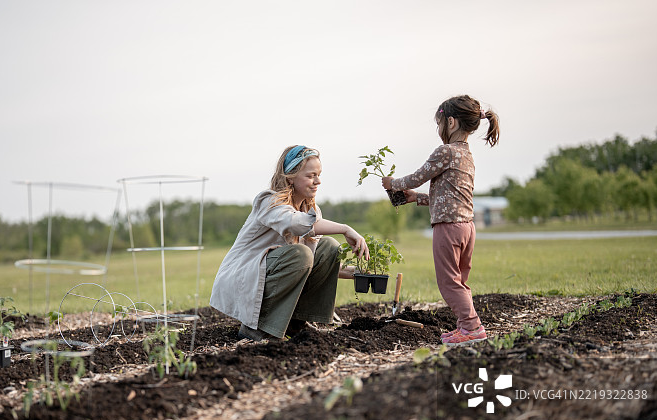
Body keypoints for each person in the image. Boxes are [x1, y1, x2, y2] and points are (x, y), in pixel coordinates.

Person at [211, 145, 369, 341]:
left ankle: (296, 324)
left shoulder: (311, 209)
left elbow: (315, 263)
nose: (318, 181)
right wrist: (345, 228)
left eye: (319, 175)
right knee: (299, 254)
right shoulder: (269, 201)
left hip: (274, 273)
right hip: (245, 278)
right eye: (311, 175)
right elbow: (294, 223)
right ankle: (257, 327)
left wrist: (358, 272)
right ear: (290, 176)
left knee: (329, 247)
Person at [382, 95, 500, 347]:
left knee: (448, 282)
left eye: (439, 125)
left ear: (451, 122)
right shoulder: (466, 154)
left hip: (448, 229)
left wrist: (394, 184)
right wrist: (418, 199)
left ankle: (471, 328)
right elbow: (448, 195)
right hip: (466, 227)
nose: (438, 131)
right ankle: (464, 326)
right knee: (460, 280)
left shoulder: (445, 151)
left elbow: (416, 177)